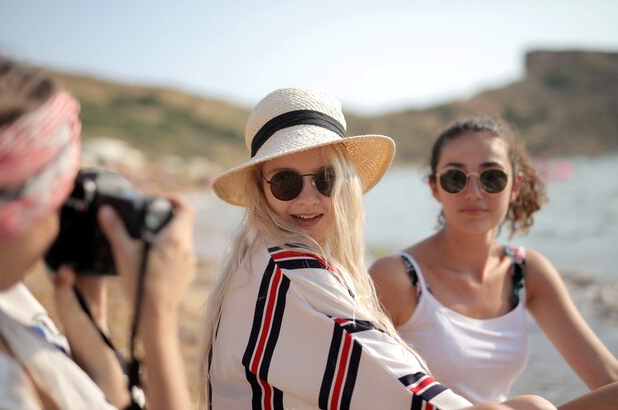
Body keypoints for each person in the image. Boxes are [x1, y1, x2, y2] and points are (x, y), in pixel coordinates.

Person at [200, 87, 557, 410]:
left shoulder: (257, 260)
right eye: (285, 182)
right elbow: (417, 401)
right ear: (260, 189)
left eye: (326, 179)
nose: (308, 199)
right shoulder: (291, 270)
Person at [369, 117, 618, 408]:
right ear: (435, 188)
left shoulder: (526, 271)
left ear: (515, 187)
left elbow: (608, 381)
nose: (474, 193)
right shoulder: (397, 277)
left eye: (492, 178)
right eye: (455, 178)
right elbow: (362, 388)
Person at [0, 56, 194, 410]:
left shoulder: (8, 301)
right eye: (61, 195)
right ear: (25, 206)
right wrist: (157, 319)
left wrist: (97, 357)